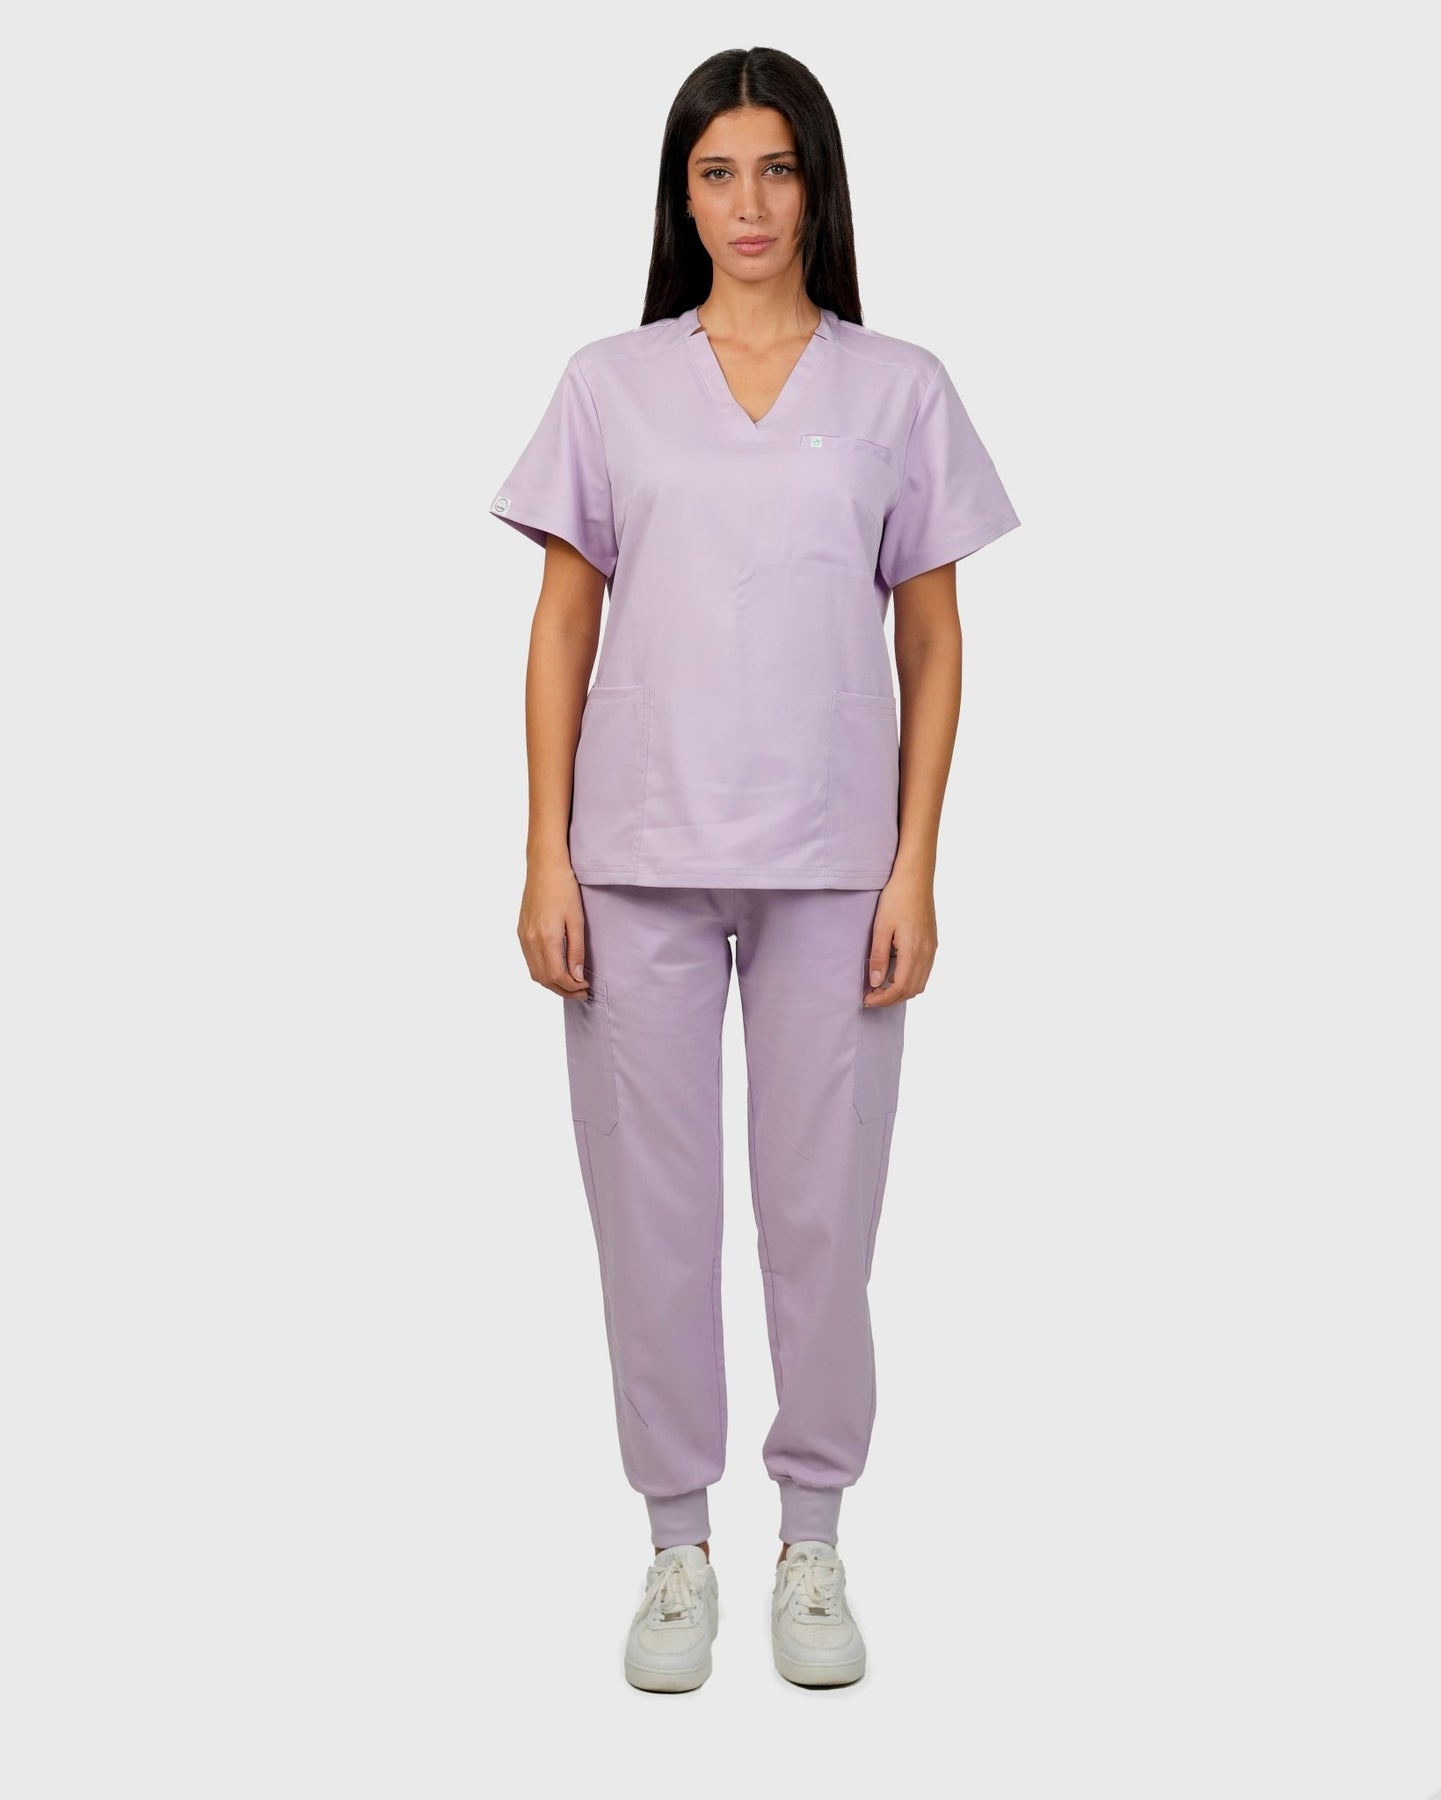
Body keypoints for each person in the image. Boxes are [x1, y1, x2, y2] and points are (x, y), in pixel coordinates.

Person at [490, 45, 1020, 1692]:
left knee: (820, 1215)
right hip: (634, 858)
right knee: (649, 1218)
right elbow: (561, 626)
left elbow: (932, 642)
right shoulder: (609, 384)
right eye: (716, 173)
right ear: (680, 195)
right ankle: (674, 1547)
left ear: (818, 187)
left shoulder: (897, 389)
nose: (747, 205)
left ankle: (812, 1541)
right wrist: (543, 855)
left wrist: (915, 866)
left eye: (776, 170)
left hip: (832, 863)